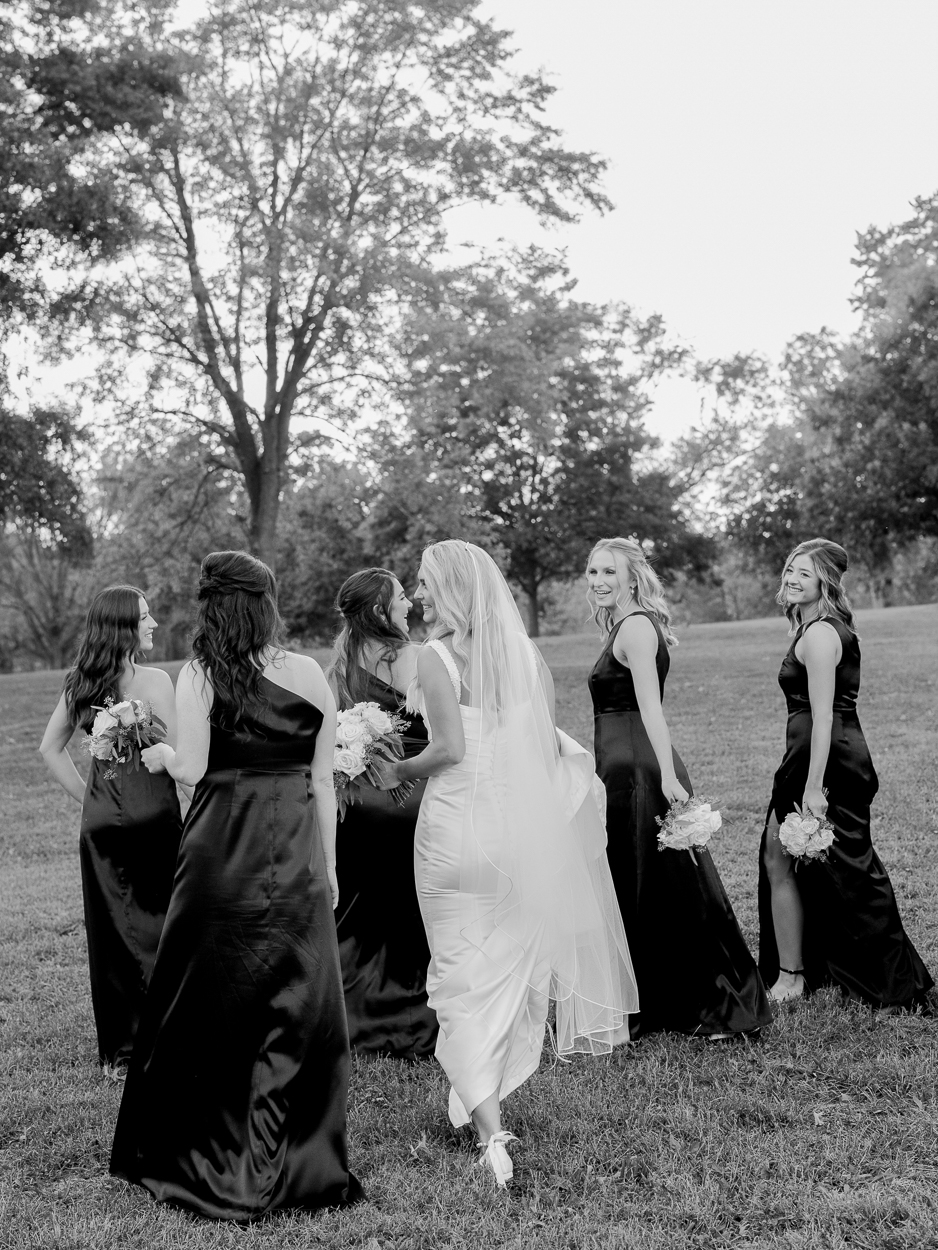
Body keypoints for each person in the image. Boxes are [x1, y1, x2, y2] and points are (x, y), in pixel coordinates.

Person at [109, 550, 363, 1220]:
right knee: (297, 999)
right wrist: (329, 867)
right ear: (267, 603)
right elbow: (319, 781)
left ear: (212, 607)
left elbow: (189, 766)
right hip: (296, 848)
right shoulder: (309, 673)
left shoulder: (198, 675)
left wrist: (157, 752)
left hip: (220, 851)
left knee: (204, 999)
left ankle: (204, 1143)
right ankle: (298, 1150)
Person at [376, 540, 637, 1187]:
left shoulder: (435, 657)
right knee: (501, 969)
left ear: (456, 589)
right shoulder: (524, 654)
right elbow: (546, 747)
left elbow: (449, 748)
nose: (423, 595)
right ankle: (488, 1110)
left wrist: (396, 769)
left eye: (429, 584)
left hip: (454, 834)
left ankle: (492, 1131)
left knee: (458, 975)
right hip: (513, 836)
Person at [586, 537, 771, 1039]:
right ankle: (654, 998)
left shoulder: (637, 628)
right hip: (620, 769)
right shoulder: (623, 626)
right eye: (593, 572)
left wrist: (667, 775)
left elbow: (650, 708)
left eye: (609, 572)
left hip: (642, 772)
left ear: (631, 577)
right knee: (644, 884)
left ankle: (721, 1002)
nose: (599, 581)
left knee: (674, 886)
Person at [759, 537, 933, 1009]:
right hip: (813, 756)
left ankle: (888, 982)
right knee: (784, 857)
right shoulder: (813, 625)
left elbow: (822, 716)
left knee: (851, 873)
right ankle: (794, 973)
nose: (792, 578)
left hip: (826, 761)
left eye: (804, 572)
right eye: (790, 569)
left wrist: (814, 785)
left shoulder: (820, 634)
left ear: (825, 582)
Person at [39, 585, 182, 1075]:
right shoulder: (160, 682)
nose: (154, 624)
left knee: (115, 932)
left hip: (107, 824)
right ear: (123, 625)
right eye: (145, 617)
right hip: (156, 818)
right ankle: (170, 1040)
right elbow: (179, 759)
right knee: (168, 923)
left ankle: (122, 1052)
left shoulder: (82, 681)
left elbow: (49, 749)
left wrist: (91, 802)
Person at [326, 568, 438, 1059]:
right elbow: (440, 729)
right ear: (379, 611)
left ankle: (355, 1013)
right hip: (413, 793)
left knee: (357, 911)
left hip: (354, 804)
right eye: (399, 599)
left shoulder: (337, 667)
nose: (409, 604)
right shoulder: (417, 657)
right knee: (416, 905)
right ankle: (419, 1010)